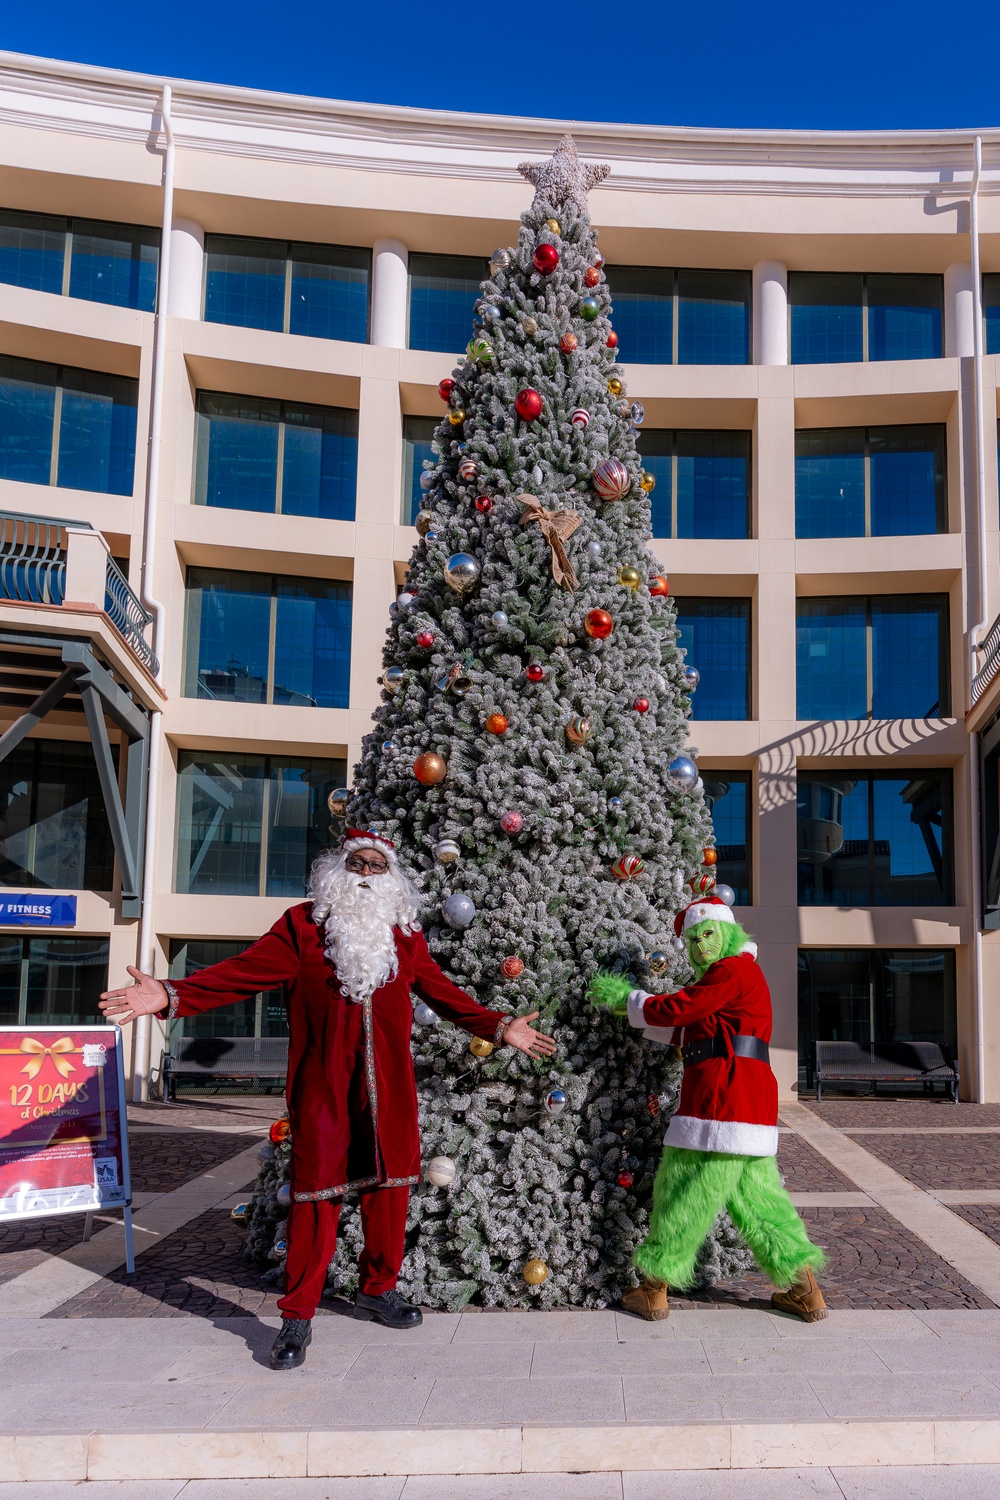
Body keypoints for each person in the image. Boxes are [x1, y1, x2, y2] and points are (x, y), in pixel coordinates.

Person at [100, 828, 556, 1368]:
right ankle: (298, 1317)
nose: (365, 875)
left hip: (389, 1091)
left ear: (391, 877)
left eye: (376, 866)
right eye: (357, 864)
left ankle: (377, 1288)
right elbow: (240, 974)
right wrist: (172, 994)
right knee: (316, 1199)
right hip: (323, 1092)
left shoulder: (404, 936)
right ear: (337, 870)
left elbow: (441, 991)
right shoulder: (302, 927)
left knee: (390, 1190)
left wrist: (499, 1026)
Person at [589, 892, 827, 1324]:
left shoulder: (732, 969)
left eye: (707, 934)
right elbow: (692, 1029)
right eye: (694, 938)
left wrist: (632, 1001)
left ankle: (653, 1287)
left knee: (685, 1189)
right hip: (743, 1101)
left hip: (721, 1100)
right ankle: (803, 1289)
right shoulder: (728, 980)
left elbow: (685, 1008)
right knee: (760, 1199)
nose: (700, 945)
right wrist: (638, 1015)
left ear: (730, 933)